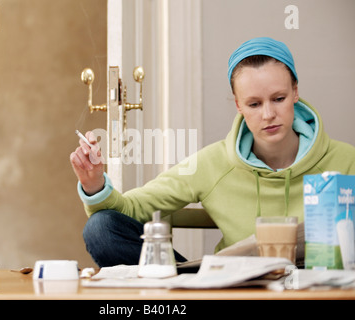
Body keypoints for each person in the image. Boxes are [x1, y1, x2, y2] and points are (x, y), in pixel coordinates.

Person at [70, 37, 355, 267]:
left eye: (278, 99)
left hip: (319, 286)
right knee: (101, 228)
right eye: (254, 104)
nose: (269, 114)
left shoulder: (346, 160)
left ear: (295, 92)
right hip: (235, 287)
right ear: (238, 106)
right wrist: (94, 184)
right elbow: (130, 209)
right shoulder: (213, 162)